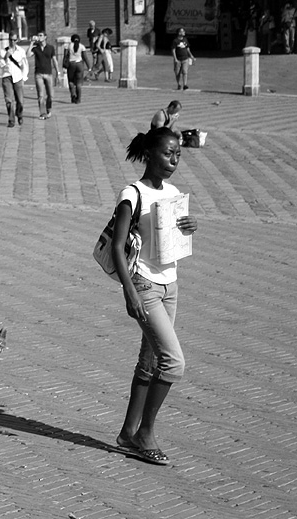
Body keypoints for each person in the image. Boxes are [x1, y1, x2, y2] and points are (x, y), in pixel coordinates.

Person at [110, 127, 198, 466]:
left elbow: (170, 239)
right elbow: (118, 248)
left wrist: (188, 227)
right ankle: (146, 433)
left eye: (177, 153)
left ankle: (127, 433)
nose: (173, 159)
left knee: (150, 362)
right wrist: (129, 291)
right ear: (149, 155)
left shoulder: (174, 193)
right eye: (167, 153)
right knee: (173, 362)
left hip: (170, 285)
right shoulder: (132, 194)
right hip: (144, 286)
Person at [0, 32, 28, 127]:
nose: (12, 42)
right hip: (7, 76)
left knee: (20, 101)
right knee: (9, 100)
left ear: (17, 40)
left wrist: (24, 77)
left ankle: (19, 114)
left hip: (18, 77)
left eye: (14, 40)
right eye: (11, 39)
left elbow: (25, 65)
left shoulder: (21, 51)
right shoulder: (3, 51)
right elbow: (0, 65)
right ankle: (11, 120)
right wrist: (6, 57)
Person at [27, 31, 58, 119]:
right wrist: (31, 43)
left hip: (49, 74)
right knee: (41, 95)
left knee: (50, 95)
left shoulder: (50, 48)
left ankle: (48, 109)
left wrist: (58, 72)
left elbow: (54, 60)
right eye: (38, 36)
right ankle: (42, 113)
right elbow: (28, 55)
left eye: (41, 36)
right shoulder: (36, 48)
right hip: (39, 74)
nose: (39, 37)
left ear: (45, 37)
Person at [65, 34, 87, 104]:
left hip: (71, 64)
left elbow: (65, 57)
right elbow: (85, 57)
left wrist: (64, 66)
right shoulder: (82, 46)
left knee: (71, 81)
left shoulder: (68, 46)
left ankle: (73, 95)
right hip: (79, 64)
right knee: (78, 82)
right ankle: (78, 99)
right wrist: (89, 67)